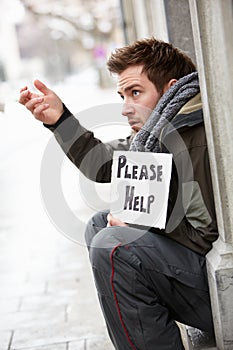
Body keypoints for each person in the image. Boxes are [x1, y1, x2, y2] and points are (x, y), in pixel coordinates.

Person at [19, 37, 218, 350]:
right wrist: (60, 119)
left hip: (218, 289)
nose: (125, 108)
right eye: (122, 95)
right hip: (193, 275)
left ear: (170, 89)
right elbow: (102, 164)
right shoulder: (154, 134)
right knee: (99, 225)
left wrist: (141, 228)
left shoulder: (192, 135)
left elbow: (205, 235)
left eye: (135, 93)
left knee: (113, 245)